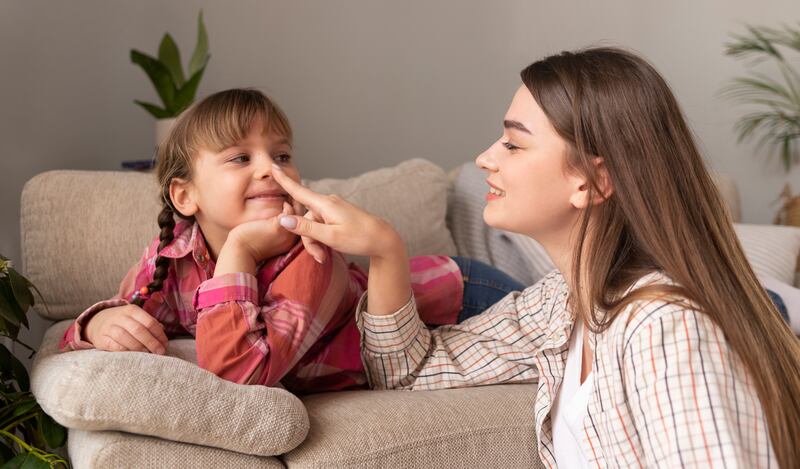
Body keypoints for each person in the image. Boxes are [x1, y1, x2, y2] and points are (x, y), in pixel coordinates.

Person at [269, 48, 800, 467]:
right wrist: (386, 251)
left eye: (513, 144)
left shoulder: (667, 329)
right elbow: (410, 372)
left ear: (592, 181)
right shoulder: (561, 306)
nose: (484, 159)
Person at [58, 88, 523, 394]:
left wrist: (239, 250)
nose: (271, 170)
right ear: (185, 195)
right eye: (240, 157)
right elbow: (110, 321)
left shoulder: (311, 254)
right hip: (440, 306)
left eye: (281, 154)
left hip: (458, 296)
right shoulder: (171, 257)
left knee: (576, 319)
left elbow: (242, 373)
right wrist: (97, 325)